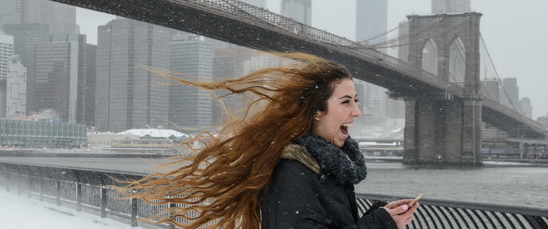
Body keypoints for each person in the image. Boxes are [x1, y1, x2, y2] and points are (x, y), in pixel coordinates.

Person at [120, 53, 418, 229]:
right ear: (316, 110)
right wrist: (380, 224)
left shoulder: (327, 169)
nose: (357, 111)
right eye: (346, 102)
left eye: (356, 101)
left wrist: (381, 217)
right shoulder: (294, 172)